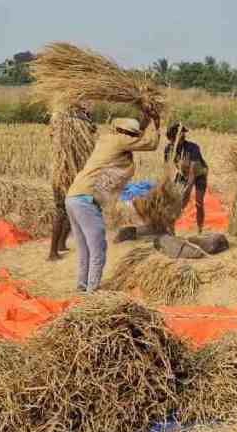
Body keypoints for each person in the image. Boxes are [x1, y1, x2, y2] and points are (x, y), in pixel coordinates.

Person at [65, 114, 160, 293]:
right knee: (98, 248)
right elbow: (152, 143)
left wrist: (145, 116)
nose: (132, 139)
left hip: (74, 197)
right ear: (123, 133)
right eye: (131, 135)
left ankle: (82, 286)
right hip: (86, 200)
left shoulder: (109, 141)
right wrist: (156, 122)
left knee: (85, 247)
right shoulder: (118, 141)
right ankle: (92, 291)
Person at [49, 104, 97, 261]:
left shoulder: (70, 119)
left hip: (70, 174)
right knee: (62, 211)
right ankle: (52, 253)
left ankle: (61, 244)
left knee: (69, 210)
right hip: (64, 175)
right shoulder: (68, 119)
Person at [164, 122, 209, 233]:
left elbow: (193, 172)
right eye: (181, 134)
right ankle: (171, 228)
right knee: (177, 202)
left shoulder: (193, 148)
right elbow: (167, 168)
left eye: (183, 134)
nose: (183, 136)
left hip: (199, 174)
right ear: (172, 138)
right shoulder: (168, 149)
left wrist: (187, 190)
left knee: (199, 203)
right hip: (183, 174)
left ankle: (200, 229)